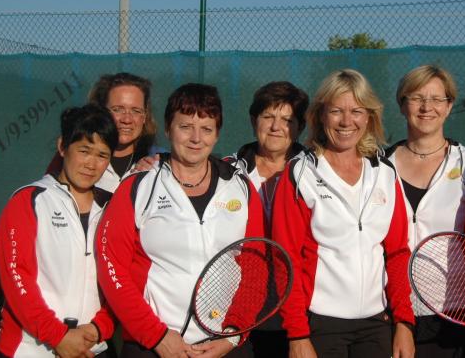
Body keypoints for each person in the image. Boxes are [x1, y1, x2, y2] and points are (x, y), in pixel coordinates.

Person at [96, 83, 265, 358]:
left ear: (217, 134)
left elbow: (255, 265)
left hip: (224, 346)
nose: (196, 138)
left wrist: (234, 335)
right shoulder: (138, 185)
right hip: (152, 346)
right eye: (185, 126)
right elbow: (111, 266)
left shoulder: (241, 187)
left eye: (207, 129)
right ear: (167, 129)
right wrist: (156, 335)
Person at [271, 69, 415, 358]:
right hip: (320, 327)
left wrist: (404, 323)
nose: (347, 121)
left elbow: (397, 253)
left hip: (377, 324)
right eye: (336, 111)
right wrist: (297, 334)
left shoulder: (385, 173)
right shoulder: (300, 174)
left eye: (357, 111)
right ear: (321, 115)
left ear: (369, 117)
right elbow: (285, 258)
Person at [0, 104, 118, 357]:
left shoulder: (112, 208)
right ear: (63, 147)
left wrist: (98, 329)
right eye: (84, 150)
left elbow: (121, 279)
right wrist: (59, 337)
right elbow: (16, 276)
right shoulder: (29, 200)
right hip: (30, 349)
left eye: (102, 155)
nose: (91, 164)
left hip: (93, 347)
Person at [384, 65, 465, 358]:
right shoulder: (376, 168)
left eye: (437, 99)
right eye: (416, 97)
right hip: (393, 317)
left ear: (449, 106)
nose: (427, 107)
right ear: (402, 105)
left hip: (458, 316)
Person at [225, 81, 309, 358]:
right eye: (268, 117)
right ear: (253, 120)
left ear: (300, 127)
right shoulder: (224, 172)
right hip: (239, 314)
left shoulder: (318, 173)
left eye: (287, 120)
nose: (276, 126)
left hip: (303, 316)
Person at [46, 72, 158, 192]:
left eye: (136, 111)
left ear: (145, 116)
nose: (127, 119)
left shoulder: (160, 160)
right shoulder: (70, 157)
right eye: (117, 109)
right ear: (100, 110)